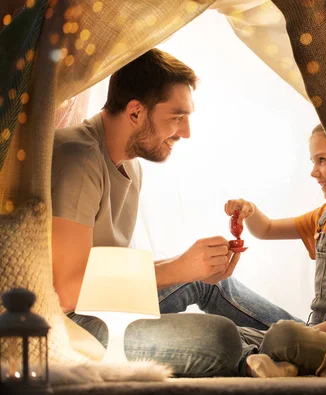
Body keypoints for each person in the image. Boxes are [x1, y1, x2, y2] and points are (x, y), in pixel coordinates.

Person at [51, 48, 299, 377]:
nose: (186, 132)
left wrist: (191, 268)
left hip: (103, 304)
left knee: (211, 284)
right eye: (176, 117)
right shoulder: (78, 158)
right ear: (136, 112)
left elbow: (107, 274)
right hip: (71, 325)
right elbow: (68, 292)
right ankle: (264, 352)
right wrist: (179, 268)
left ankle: (316, 340)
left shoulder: (129, 165)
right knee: (219, 337)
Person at [223, 124, 326, 377]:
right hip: (313, 331)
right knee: (228, 332)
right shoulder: (325, 216)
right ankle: (275, 363)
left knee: (284, 334)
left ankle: (268, 355)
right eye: (312, 161)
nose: (313, 172)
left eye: (322, 160)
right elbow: (267, 229)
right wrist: (249, 209)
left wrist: (312, 333)